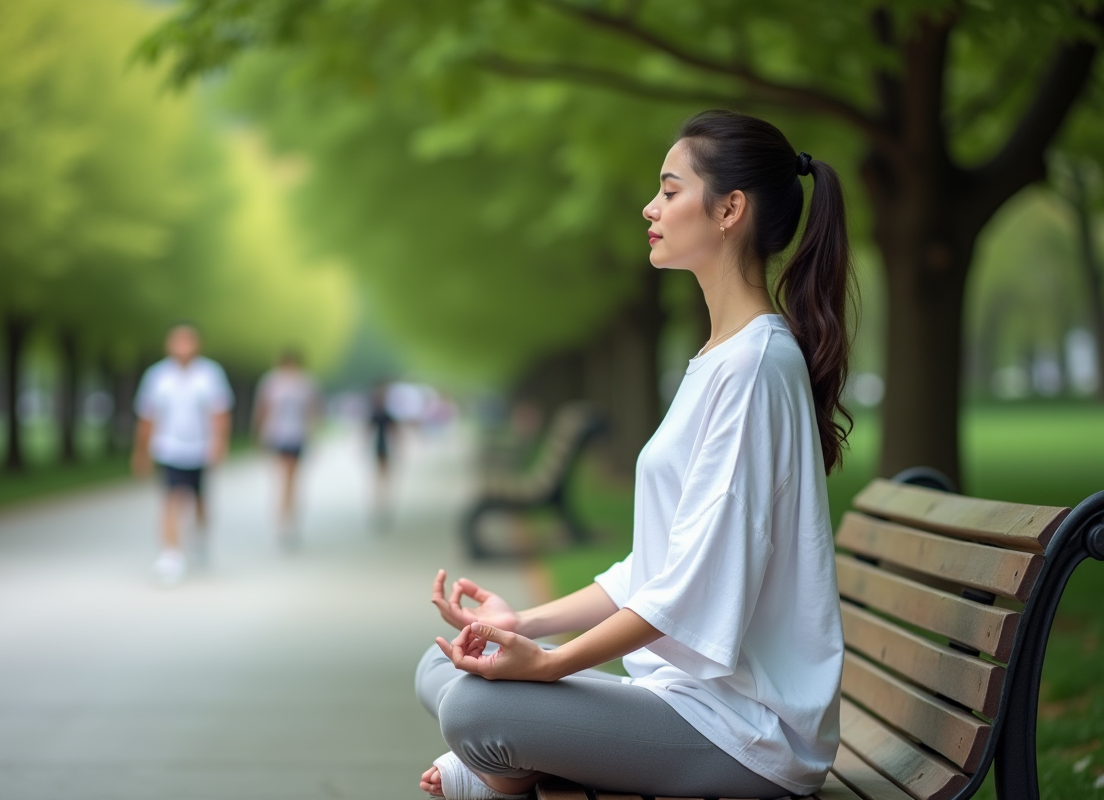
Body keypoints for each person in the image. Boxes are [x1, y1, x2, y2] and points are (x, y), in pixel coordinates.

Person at [415, 110, 852, 799]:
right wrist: (521, 625)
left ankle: (500, 772)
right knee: (441, 667)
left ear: (730, 209)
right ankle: (506, 764)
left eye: (671, 191)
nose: (650, 208)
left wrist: (548, 667)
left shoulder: (755, 367)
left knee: (474, 706)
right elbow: (654, 571)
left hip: (746, 733)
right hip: (679, 699)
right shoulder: (719, 359)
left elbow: (696, 589)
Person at [131, 325, 233, 586]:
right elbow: (147, 415)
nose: (182, 346)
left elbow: (219, 412)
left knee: (199, 500)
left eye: (188, 341)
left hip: (200, 449)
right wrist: (141, 451)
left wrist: (219, 443)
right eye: (177, 341)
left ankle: (199, 538)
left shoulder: (210, 374)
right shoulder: (157, 376)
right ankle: (171, 555)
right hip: (168, 448)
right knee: (171, 498)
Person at [253, 348, 321, 543]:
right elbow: (263, 408)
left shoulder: (306, 383)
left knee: (291, 480)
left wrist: (312, 434)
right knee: (283, 479)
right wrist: (258, 434)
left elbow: (312, 411)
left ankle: (288, 520)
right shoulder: (271, 381)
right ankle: (283, 521)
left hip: (297, 436)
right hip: (277, 435)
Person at [367, 382, 398, 530]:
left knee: (383, 475)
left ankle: (382, 500)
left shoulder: (386, 415)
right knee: (380, 475)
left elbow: (395, 432)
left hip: (384, 446)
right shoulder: (377, 414)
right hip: (379, 446)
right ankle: (379, 501)